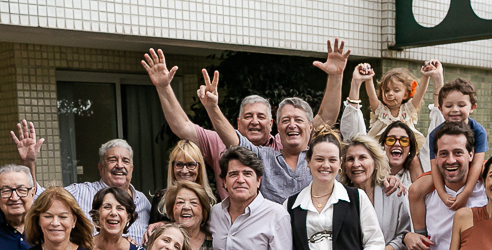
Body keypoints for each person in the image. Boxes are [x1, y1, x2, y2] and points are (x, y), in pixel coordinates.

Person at [142, 43, 349, 198]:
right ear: (238, 123)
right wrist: (163, 87)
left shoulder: (283, 142)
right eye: (248, 117)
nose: (254, 122)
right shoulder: (220, 140)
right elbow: (182, 127)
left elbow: (324, 121)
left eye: (261, 117)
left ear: (271, 125)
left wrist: (336, 77)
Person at [201, 55, 350, 203]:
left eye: (298, 120)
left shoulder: (321, 159)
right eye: (286, 120)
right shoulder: (262, 157)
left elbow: (326, 117)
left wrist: (335, 76)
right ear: (277, 127)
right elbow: (234, 140)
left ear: (311, 126)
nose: (292, 125)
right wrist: (212, 108)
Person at [287, 126, 387, 250]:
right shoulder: (291, 205)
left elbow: (375, 242)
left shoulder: (356, 197)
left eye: (332, 160)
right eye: (319, 159)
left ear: (340, 163)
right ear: (308, 162)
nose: (326, 165)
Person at [408, 122, 489, 250]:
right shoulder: (425, 194)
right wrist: (408, 238)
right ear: (435, 158)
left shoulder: (488, 190)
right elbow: (412, 236)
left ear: (471, 155)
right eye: (443, 154)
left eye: (458, 152)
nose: (450, 160)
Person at [207, 146, 293, 250]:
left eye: (247, 174)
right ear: (223, 182)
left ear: (258, 181)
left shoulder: (276, 215)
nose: (240, 179)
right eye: (233, 174)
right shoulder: (214, 213)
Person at [341, 133, 420, 250]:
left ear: (375, 162)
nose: (356, 164)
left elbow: (405, 236)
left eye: (362, 157)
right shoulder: (339, 198)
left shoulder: (393, 192)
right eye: (350, 159)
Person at [62, 139, 151, 243]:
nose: (120, 165)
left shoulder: (143, 202)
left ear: (131, 169)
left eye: (125, 161)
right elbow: (44, 198)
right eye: (113, 160)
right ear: (101, 168)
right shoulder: (78, 193)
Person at [422, 73, 491, 208]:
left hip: (472, 165)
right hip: (446, 167)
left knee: (489, 169)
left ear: (472, 107)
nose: (455, 110)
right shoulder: (435, 134)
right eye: (448, 106)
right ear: (441, 109)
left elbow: (477, 164)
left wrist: (466, 193)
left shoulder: (479, 130)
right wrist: (442, 193)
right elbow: (434, 165)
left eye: (461, 105)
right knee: (415, 190)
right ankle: (419, 229)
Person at [345, 62, 430, 148]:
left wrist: (426, 76)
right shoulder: (380, 109)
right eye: (386, 90)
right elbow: (371, 95)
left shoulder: (407, 109)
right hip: (381, 151)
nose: (390, 94)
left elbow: (420, 93)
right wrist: (369, 79)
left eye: (396, 90)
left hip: (402, 149)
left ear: (405, 95)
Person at [149, 140, 215, 222]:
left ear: (199, 168)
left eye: (190, 165)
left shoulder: (210, 201)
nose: (184, 171)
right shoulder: (161, 200)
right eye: (179, 165)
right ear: (172, 167)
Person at [162, 180, 216, 250]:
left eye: (194, 203)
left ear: (204, 212)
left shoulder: (213, 245)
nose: (186, 207)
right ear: (172, 210)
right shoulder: (158, 240)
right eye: (180, 202)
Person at [0, 161, 36, 250]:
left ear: (32, 193)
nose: (14, 197)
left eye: (21, 190)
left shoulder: (45, 226)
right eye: (6, 191)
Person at [90, 186, 145, 250]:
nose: (113, 213)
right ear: (97, 215)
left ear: (128, 217)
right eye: (107, 207)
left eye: (120, 208)